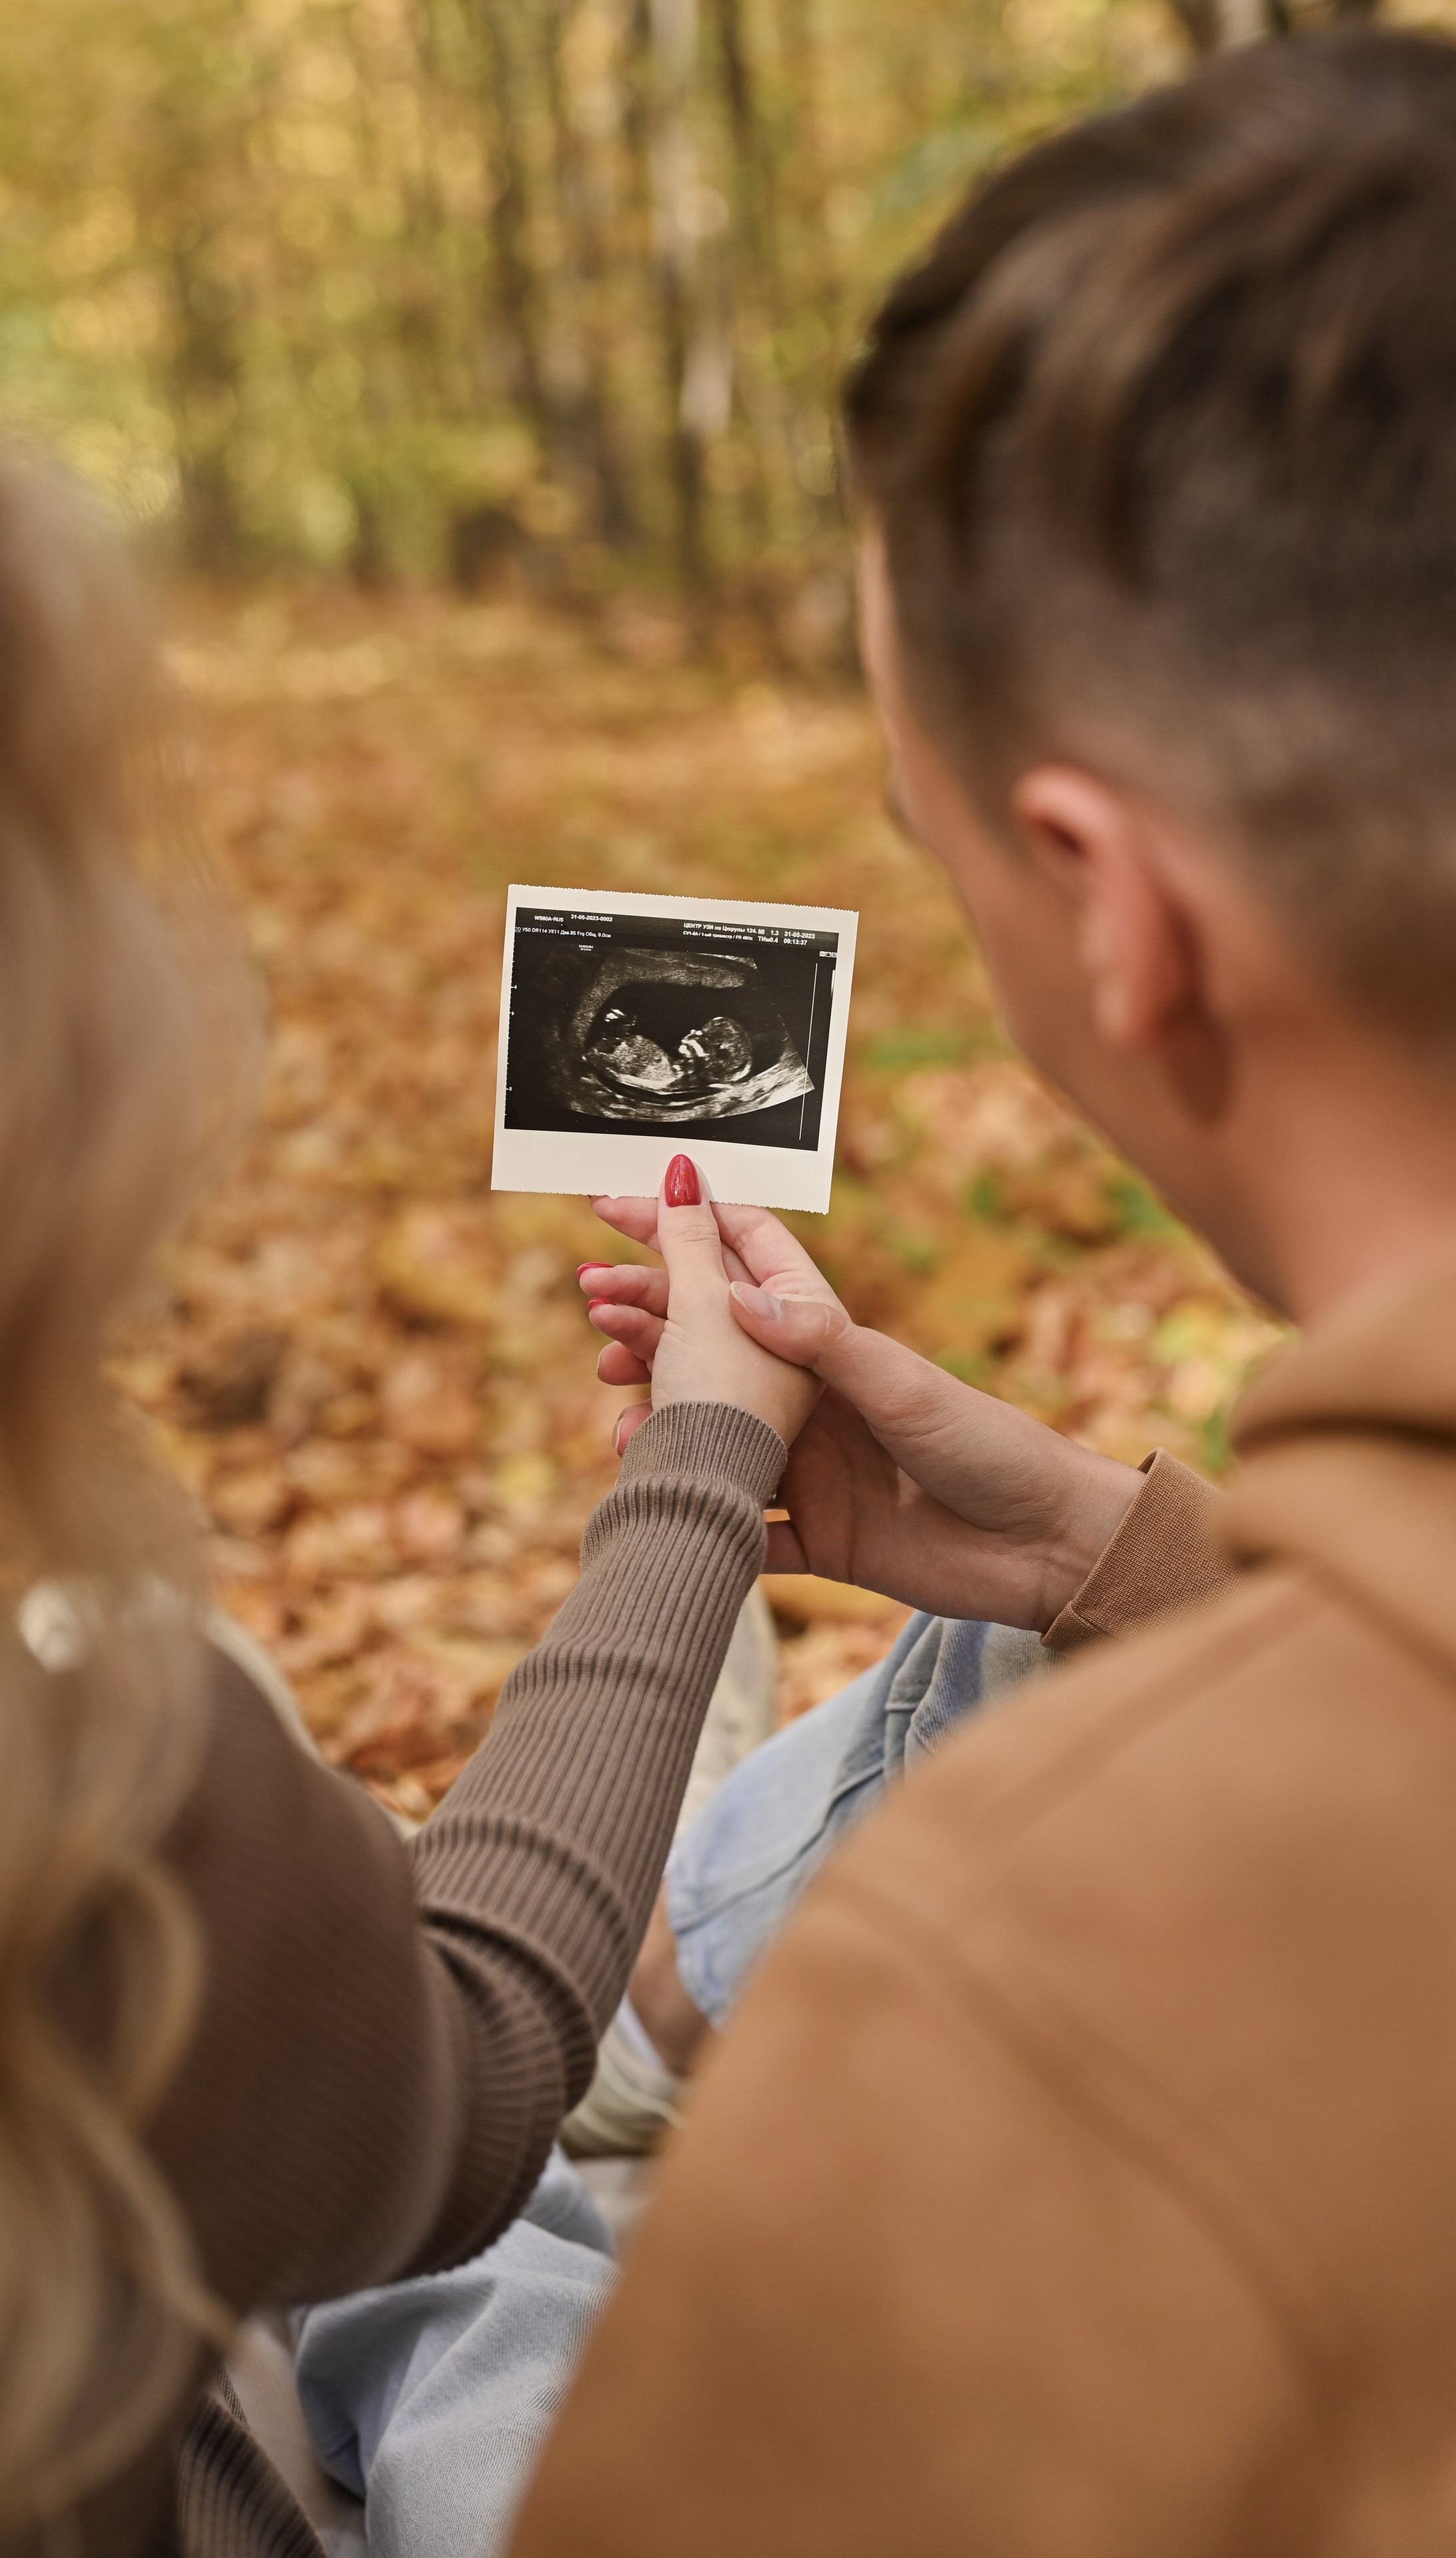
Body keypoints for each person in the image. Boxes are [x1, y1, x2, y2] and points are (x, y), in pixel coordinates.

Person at [500, 27, 1456, 2553]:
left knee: (410, 2297)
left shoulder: (1010, 2029)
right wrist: (1117, 1572)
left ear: (1119, 913)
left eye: (947, 861)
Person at [0, 311, 816, 2558]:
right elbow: (482, 2056)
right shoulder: (36, 1820)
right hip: (312, 2318)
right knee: (531, 2278)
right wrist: (699, 1474)